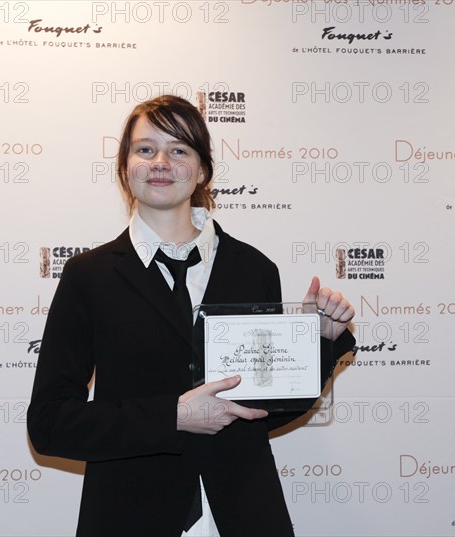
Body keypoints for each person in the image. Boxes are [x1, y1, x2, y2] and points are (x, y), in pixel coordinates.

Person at [27, 95, 356, 537]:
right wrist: (172, 416)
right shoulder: (89, 276)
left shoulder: (254, 269)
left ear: (202, 170)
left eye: (179, 150)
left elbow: (266, 410)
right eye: (145, 149)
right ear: (125, 167)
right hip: (130, 515)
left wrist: (321, 342)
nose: (160, 161)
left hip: (243, 513)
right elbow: (50, 424)